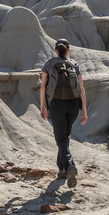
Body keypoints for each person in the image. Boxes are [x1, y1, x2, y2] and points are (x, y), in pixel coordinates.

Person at [39, 38, 87, 186]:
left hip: (56, 104)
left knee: (60, 139)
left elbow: (42, 87)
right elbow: (82, 89)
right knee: (65, 136)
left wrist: (42, 107)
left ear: (55, 50)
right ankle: (62, 170)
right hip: (73, 104)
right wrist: (84, 110)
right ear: (68, 51)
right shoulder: (74, 65)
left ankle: (69, 166)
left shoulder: (49, 64)